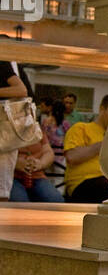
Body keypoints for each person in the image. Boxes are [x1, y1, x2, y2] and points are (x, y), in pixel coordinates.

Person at [64, 94, 108, 203]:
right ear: (102, 109)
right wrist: (104, 144)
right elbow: (72, 157)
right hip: (83, 183)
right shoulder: (81, 128)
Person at [0, 57, 32, 201]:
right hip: (7, 128)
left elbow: (21, 90)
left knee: (2, 188)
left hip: (5, 126)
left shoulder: (3, 60)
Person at [10, 127, 63, 202]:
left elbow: (48, 152)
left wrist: (40, 163)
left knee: (56, 200)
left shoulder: (37, 130)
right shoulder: (5, 129)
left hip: (37, 175)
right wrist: (15, 163)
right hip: (11, 177)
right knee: (20, 203)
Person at [41, 100, 69, 191]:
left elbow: (42, 137)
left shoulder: (45, 122)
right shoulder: (65, 123)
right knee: (59, 180)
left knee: (47, 179)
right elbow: (68, 138)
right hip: (61, 155)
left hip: (48, 153)